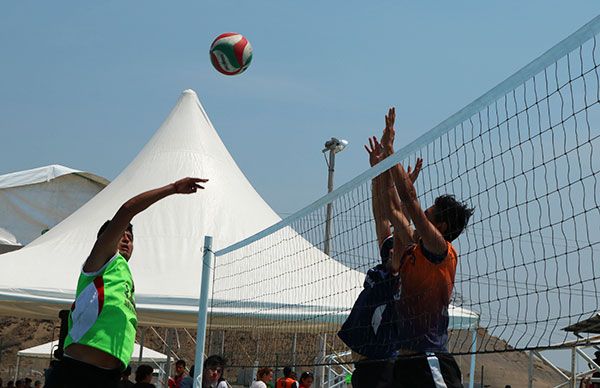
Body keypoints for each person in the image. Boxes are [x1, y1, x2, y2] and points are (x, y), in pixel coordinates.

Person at [45, 177, 208, 388]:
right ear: (103, 241)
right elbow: (127, 210)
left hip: (111, 377)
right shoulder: (101, 262)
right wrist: (172, 189)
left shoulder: (126, 277)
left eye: (130, 237)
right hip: (76, 373)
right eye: (120, 234)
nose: (126, 239)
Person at [379, 107, 474, 388]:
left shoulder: (439, 249)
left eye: (431, 210)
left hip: (430, 360)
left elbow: (408, 202)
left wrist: (391, 149)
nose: (426, 210)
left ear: (441, 227)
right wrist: (383, 164)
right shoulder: (414, 248)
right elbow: (393, 208)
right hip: (405, 362)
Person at [338, 123, 422, 388]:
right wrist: (377, 172)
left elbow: (398, 218)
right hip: (368, 359)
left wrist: (390, 165)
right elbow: (380, 213)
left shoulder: (400, 267)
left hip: (380, 362)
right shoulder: (387, 260)